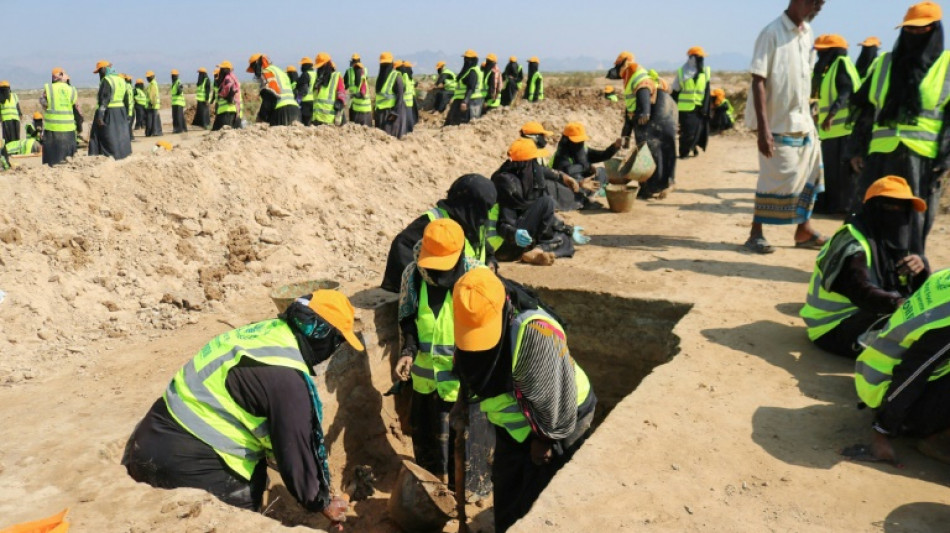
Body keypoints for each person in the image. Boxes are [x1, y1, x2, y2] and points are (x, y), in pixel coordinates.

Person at [122, 290, 359, 523]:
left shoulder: (264, 333)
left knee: (256, 472)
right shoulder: (289, 382)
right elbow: (294, 454)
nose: (335, 349)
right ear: (323, 336)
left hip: (146, 441)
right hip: (187, 465)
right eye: (337, 340)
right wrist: (322, 502)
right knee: (244, 502)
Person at [451, 268, 596, 532]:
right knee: (507, 494)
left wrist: (544, 441)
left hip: (559, 417)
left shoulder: (535, 335)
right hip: (515, 426)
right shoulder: (466, 313)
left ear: (503, 311)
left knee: (539, 503)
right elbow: (468, 364)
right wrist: (461, 402)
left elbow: (555, 403)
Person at [394, 219, 492, 496]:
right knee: (429, 443)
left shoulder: (477, 277)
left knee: (466, 445)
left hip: (463, 385)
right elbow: (408, 319)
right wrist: (407, 353)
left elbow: (487, 328)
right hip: (427, 383)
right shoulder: (413, 275)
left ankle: (466, 494)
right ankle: (434, 496)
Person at [846, 1, 948, 256]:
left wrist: (946, 158)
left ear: (935, 30)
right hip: (880, 155)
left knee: (912, 218)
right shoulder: (884, 64)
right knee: (868, 209)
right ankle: (863, 267)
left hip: (922, 157)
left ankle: (907, 271)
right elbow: (866, 109)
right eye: (909, 30)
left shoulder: (946, 65)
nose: (913, 35)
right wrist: (857, 149)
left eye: (920, 30)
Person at [801, 176, 930, 358]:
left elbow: (908, 288)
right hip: (832, 328)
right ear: (873, 209)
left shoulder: (891, 243)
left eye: (903, 209)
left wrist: (921, 268)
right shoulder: (854, 243)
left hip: (865, 315)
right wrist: (898, 303)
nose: (898, 214)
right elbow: (861, 290)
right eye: (890, 207)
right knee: (917, 344)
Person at [845, 267, 950, 466]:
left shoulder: (945, 275)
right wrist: (882, 432)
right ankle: (937, 440)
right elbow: (913, 372)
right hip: (890, 391)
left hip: (874, 373)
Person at [744, 0, 826, 254]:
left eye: (820, 4)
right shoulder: (771, 33)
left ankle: (804, 230)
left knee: (810, 174)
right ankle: (755, 233)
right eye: (813, 2)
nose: (816, 8)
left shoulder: (807, 33)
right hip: (777, 123)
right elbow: (758, 80)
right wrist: (764, 129)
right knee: (773, 181)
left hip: (802, 121)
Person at [382, 174, 499, 292]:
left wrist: (490, 263)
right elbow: (402, 248)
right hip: (439, 292)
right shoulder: (435, 222)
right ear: (473, 205)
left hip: (470, 286)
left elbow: (486, 251)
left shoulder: (473, 223)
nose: (486, 215)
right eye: (485, 208)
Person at [492, 138, 579, 264]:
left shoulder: (516, 174)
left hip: (513, 238)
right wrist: (515, 234)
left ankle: (537, 251)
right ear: (527, 162)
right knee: (547, 203)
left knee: (563, 235)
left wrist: (565, 228)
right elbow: (504, 223)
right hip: (506, 245)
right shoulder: (507, 183)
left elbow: (544, 172)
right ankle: (537, 250)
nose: (535, 164)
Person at [812, 34, 861, 215]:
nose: (819, 55)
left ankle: (843, 207)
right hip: (832, 132)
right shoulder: (830, 67)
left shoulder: (841, 64)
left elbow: (846, 91)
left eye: (822, 51)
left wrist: (831, 114)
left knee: (843, 173)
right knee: (832, 172)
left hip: (844, 129)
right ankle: (833, 205)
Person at [551, 122, 621, 208]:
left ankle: (590, 194)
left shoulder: (582, 149)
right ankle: (584, 199)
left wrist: (615, 147)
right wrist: (581, 180)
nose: (580, 143)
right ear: (567, 140)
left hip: (585, 182)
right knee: (574, 181)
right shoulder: (561, 155)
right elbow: (565, 176)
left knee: (601, 172)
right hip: (571, 185)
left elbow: (602, 155)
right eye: (577, 141)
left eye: (581, 140)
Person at [88, 60, 132, 160]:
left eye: (99, 71)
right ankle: (123, 155)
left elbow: (104, 99)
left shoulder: (107, 80)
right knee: (120, 134)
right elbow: (126, 99)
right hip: (120, 111)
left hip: (109, 112)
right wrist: (127, 114)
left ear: (104, 69)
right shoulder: (121, 80)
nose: (99, 74)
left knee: (108, 135)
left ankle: (107, 157)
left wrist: (100, 116)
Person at [672, 47, 711, 158]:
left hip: (699, 108)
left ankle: (693, 147)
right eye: (699, 58)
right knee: (687, 132)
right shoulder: (682, 73)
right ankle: (683, 152)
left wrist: (705, 106)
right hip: (685, 108)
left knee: (698, 130)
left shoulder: (705, 72)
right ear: (692, 58)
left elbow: (707, 90)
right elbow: (675, 91)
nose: (701, 60)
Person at [39, 67, 79, 166]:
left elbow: (43, 102)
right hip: (68, 128)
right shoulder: (72, 90)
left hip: (52, 128)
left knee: (52, 160)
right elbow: (76, 106)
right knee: (67, 160)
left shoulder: (49, 88)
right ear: (63, 76)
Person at [247, 54, 300, 126]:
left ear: (257, 64)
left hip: (281, 111)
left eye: (254, 68)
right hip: (295, 109)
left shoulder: (266, 72)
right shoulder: (280, 71)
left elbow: (270, 95)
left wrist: (262, 117)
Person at [374, 52, 410, 138]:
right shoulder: (380, 78)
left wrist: (394, 113)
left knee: (390, 137)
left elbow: (400, 97)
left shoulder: (396, 76)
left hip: (391, 113)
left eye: (386, 64)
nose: (385, 66)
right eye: (383, 64)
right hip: (380, 112)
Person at [444, 50, 483, 126]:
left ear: (473, 60)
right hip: (461, 99)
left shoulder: (473, 71)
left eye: (468, 58)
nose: (465, 60)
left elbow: (470, 88)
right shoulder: (468, 70)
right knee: (453, 120)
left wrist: (465, 101)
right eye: (465, 58)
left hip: (470, 100)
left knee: (463, 122)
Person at [311, 53, 346, 127]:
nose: (319, 69)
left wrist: (339, 104)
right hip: (316, 120)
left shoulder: (335, 77)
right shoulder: (318, 80)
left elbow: (342, 94)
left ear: (327, 65)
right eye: (318, 67)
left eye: (321, 66)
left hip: (329, 122)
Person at [213, 61, 242, 131]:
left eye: (221, 69)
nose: (220, 71)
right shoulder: (230, 78)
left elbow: (229, 91)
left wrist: (222, 95)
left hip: (227, 111)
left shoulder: (228, 79)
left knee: (225, 133)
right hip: (224, 111)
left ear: (224, 70)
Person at [344, 59, 372, 127]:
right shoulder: (355, 76)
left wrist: (352, 95)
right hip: (355, 108)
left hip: (364, 112)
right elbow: (345, 84)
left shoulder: (363, 81)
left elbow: (362, 94)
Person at [398, 61, 418, 130]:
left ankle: (409, 130)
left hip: (406, 100)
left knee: (408, 118)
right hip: (411, 99)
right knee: (411, 117)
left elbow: (403, 88)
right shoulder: (409, 76)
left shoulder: (404, 76)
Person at [145, 70, 164, 137]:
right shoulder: (152, 84)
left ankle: (155, 132)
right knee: (154, 119)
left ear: (152, 77)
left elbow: (152, 95)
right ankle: (155, 132)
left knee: (153, 119)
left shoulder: (153, 84)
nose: (147, 78)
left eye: (148, 77)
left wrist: (152, 103)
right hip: (153, 105)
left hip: (153, 105)